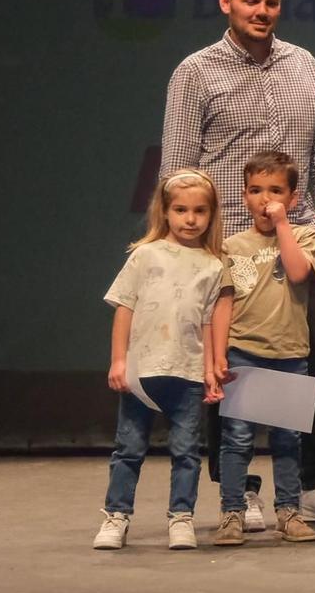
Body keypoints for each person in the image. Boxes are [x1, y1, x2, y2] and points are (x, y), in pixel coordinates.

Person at [159, 0, 315, 519]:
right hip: (227, 247)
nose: (261, 11)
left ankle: (311, 484)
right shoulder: (195, 72)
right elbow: (177, 167)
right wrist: (188, 244)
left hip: (299, 238)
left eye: (270, 2)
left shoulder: (303, 64)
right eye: (250, 2)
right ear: (226, 3)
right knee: (226, 363)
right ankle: (238, 492)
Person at [95, 171, 231, 552]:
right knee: (130, 447)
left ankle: (181, 517)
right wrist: (119, 361)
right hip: (143, 371)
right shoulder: (145, 254)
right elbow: (124, 307)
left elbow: (206, 321)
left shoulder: (212, 265)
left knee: (186, 449)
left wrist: (208, 372)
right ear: (165, 212)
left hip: (186, 372)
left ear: (211, 214)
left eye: (199, 211)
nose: (190, 219)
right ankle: (116, 516)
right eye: (181, 210)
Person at [211, 151, 315, 547]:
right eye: (256, 191)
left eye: (276, 191)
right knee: (237, 438)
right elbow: (222, 303)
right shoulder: (231, 246)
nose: (265, 199)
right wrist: (219, 353)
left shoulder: (304, 236)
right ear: (244, 196)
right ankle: (231, 513)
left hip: (290, 353)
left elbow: (297, 272)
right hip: (243, 351)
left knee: (288, 439)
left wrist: (282, 225)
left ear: (293, 199)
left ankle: (288, 511)